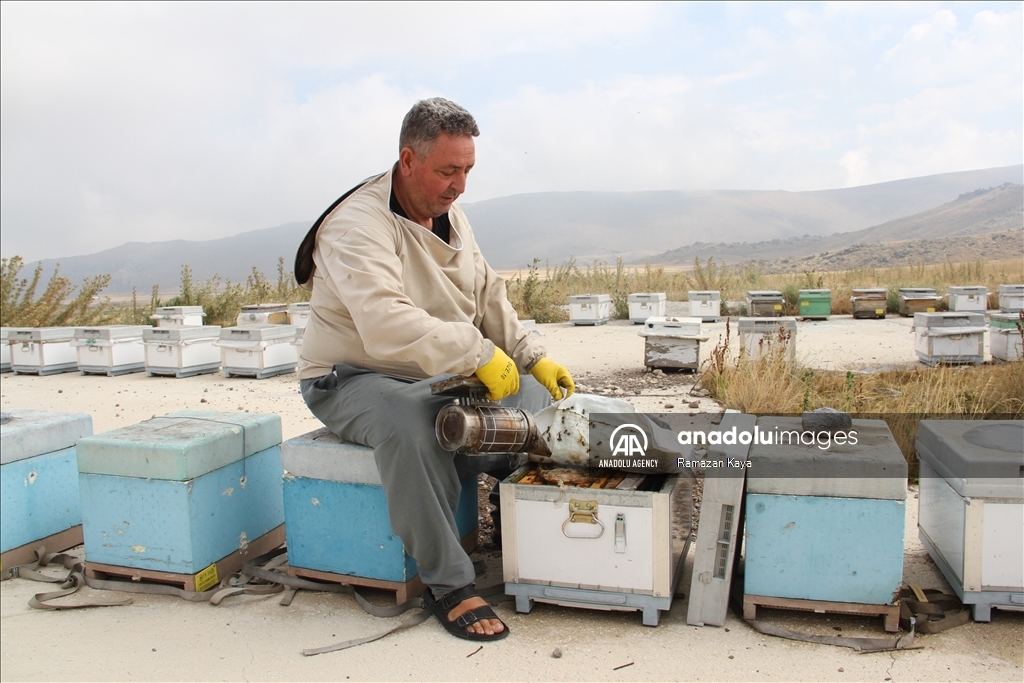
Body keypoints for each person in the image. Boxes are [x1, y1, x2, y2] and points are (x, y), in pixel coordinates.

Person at [296, 97, 575, 641]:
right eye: (449, 170)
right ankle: (449, 583)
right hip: (355, 377)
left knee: (541, 405)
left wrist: (530, 355)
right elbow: (382, 322)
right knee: (412, 422)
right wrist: (477, 355)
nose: (460, 184)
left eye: (468, 170)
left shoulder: (451, 210)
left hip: (434, 371)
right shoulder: (356, 225)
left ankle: (520, 522)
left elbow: (486, 289)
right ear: (407, 160)